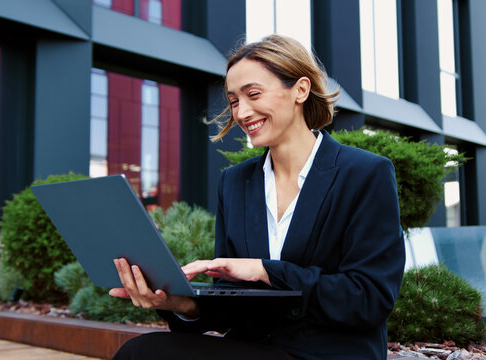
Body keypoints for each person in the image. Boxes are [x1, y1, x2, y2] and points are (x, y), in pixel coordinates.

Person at [110, 34, 405, 360]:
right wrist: (179, 303)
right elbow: (230, 302)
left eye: (253, 94)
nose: (241, 112)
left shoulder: (364, 173)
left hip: (329, 352)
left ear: (301, 90)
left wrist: (266, 271)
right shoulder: (235, 182)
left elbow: (370, 299)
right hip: (252, 347)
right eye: (234, 100)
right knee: (140, 352)